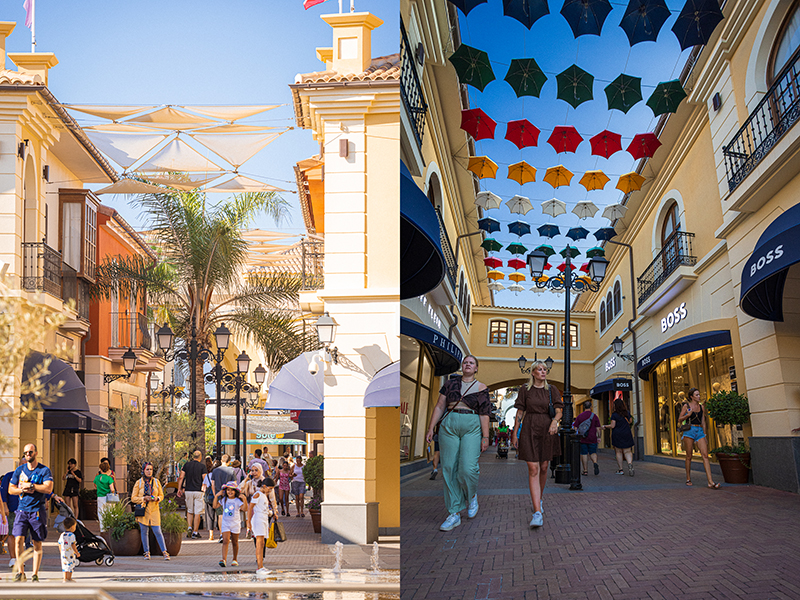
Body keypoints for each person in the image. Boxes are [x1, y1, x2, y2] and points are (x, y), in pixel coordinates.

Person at [425, 355, 491, 532]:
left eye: (471, 363)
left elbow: (485, 414)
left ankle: (472, 495)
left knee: (467, 468)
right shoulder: (450, 384)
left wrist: (486, 436)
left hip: (471, 425)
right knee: (448, 468)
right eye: (465, 362)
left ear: (476, 368)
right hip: (449, 425)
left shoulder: (482, 388)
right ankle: (454, 512)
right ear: (462, 366)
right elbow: (439, 406)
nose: (467, 364)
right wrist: (431, 428)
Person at [511, 361, 564, 529]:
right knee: (533, 468)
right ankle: (537, 512)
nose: (543, 372)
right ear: (533, 372)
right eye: (540, 369)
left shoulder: (552, 390)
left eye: (545, 369)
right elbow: (520, 412)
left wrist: (555, 421)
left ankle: (539, 499)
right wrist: (515, 432)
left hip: (547, 429)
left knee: (543, 467)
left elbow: (559, 410)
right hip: (529, 428)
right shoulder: (525, 390)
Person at [9, 444, 60, 582]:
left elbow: (48, 488)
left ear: (36, 453)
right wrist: (22, 490)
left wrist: (32, 486)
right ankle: (21, 572)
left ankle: (35, 574)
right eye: (25, 453)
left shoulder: (44, 470)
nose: (27, 455)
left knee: (36, 542)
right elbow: (11, 489)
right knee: (18, 539)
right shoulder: (19, 470)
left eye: (30, 452)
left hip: (37, 511)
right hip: (21, 510)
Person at [676, 388, 720, 488]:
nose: (699, 396)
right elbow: (679, 419)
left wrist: (705, 434)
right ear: (691, 397)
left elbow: (703, 421)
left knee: (705, 455)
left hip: (699, 431)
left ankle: (710, 482)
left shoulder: (701, 407)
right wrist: (688, 415)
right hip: (689, 431)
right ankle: (688, 478)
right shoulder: (686, 406)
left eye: (699, 394)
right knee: (689, 456)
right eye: (697, 395)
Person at [131, 461, 169, 560]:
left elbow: (161, 495)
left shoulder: (156, 482)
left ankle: (164, 552)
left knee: (157, 531)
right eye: (147, 469)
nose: (149, 471)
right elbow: (133, 498)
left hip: (154, 509)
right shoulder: (139, 483)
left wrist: (156, 499)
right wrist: (143, 499)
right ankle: (146, 552)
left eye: (151, 469)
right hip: (143, 510)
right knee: (144, 531)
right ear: (143, 470)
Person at [213, 482, 248, 568]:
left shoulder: (237, 500)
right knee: (225, 541)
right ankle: (223, 559)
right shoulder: (224, 499)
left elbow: (245, 509)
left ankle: (235, 559)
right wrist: (216, 496)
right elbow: (215, 506)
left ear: (235, 492)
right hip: (225, 523)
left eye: (232, 490)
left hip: (235, 523)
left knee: (235, 542)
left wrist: (244, 499)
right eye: (228, 490)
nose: (230, 492)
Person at [248, 477, 278, 575]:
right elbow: (250, 508)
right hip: (258, 520)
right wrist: (248, 522)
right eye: (269, 489)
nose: (270, 491)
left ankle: (261, 566)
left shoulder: (264, 495)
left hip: (263, 519)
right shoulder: (258, 494)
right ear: (264, 486)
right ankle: (259, 567)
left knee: (262, 544)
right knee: (259, 543)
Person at [601, 397, 636, 476]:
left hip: (617, 434)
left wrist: (605, 426)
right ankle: (629, 464)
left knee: (619, 452)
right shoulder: (627, 412)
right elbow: (630, 422)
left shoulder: (614, 415)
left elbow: (613, 425)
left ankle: (621, 470)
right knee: (627, 451)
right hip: (626, 433)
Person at [177, 450, 206, 539]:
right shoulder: (202, 466)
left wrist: (179, 488)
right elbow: (204, 478)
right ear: (200, 457)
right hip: (198, 491)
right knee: (198, 512)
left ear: (193, 456)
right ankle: (195, 532)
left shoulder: (186, 465)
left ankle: (189, 527)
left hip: (188, 490)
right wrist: (204, 488)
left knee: (190, 510)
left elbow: (181, 477)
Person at [211, 455, 236, 544]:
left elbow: (212, 484)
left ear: (221, 460)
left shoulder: (215, 471)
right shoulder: (231, 471)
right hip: (229, 496)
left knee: (220, 515)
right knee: (230, 515)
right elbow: (234, 484)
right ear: (229, 461)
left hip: (219, 495)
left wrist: (215, 495)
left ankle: (222, 534)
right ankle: (229, 534)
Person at [574, 401, 601, 476]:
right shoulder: (594, 416)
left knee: (584, 454)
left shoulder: (580, 416)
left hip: (583, 438)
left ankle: (585, 470)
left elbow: (575, 428)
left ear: (583, 407)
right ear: (591, 407)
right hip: (592, 438)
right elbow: (598, 428)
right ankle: (595, 462)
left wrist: (578, 434)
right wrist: (599, 437)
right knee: (593, 452)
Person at [94, 462, 116, 533]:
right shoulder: (109, 478)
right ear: (108, 469)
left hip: (100, 497)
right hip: (108, 498)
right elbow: (112, 489)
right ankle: (109, 529)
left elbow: (95, 485)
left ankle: (102, 530)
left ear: (100, 469)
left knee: (101, 513)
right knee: (110, 513)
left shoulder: (97, 477)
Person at [58, 516, 80, 582]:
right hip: (70, 553)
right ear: (72, 527)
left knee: (65, 566)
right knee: (70, 565)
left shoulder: (62, 535)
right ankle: (69, 578)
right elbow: (73, 545)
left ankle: (65, 578)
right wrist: (76, 552)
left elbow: (59, 543)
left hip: (64, 553)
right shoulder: (72, 535)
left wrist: (61, 551)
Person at [202, 458, 217, 541]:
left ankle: (211, 535)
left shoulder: (208, 476)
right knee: (220, 515)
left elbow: (203, 487)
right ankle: (222, 533)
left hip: (209, 497)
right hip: (217, 497)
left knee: (210, 515)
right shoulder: (219, 476)